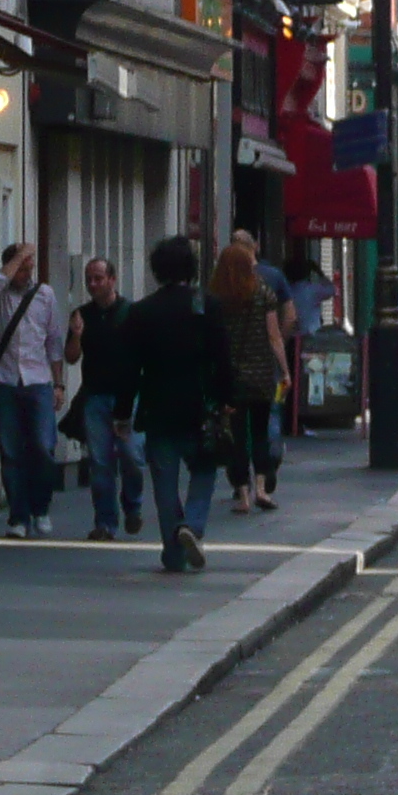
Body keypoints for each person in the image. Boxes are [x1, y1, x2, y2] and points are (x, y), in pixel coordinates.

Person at [123, 236, 230, 573]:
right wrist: (227, 399)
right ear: (191, 268)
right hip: (199, 407)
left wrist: (121, 412)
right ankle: (193, 526)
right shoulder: (207, 306)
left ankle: (173, 553)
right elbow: (222, 358)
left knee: (165, 484)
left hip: (157, 409)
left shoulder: (141, 311)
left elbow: (130, 368)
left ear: (157, 270)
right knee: (204, 470)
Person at [0, 244, 62, 539]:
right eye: (22, 268)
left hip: (38, 379)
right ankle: (18, 515)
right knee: (10, 451)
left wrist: (59, 383)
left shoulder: (45, 295)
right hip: (5, 379)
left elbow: (53, 341)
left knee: (43, 446)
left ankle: (41, 507)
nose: (27, 273)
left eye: (30, 267)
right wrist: (14, 261)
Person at [63, 255, 143, 542]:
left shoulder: (131, 313)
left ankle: (132, 505)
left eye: (98, 278)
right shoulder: (81, 315)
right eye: (89, 279)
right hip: (95, 397)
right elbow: (71, 358)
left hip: (127, 397)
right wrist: (75, 336)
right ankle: (105, 522)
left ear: (112, 279)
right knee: (100, 463)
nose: (93, 284)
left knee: (132, 457)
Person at [211, 240, 286, 515]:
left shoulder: (216, 299)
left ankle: (242, 496)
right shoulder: (263, 293)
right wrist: (285, 370)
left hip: (231, 378)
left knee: (238, 437)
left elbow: (213, 341)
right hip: (261, 375)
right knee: (260, 433)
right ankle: (262, 489)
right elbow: (274, 335)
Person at [231, 230, 294, 493]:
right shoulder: (273, 278)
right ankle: (267, 469)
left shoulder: (224, 282)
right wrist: (282, 359)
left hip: (233, 369)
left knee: (237, 429)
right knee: (267, 420)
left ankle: (242, 488)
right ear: (254, 247)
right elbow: (288, 318)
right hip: (265, 366)